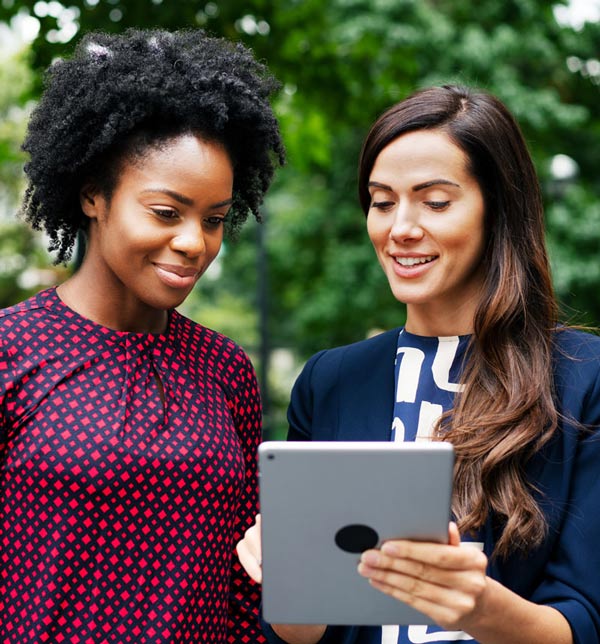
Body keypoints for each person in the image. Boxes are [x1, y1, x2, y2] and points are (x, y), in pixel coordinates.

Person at [237, 84, 600, 644]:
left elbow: (585, 619)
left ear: (497, 209)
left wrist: (476, 607)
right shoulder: (329, 381)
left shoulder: (582, 377)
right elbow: (299, 634)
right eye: (382, 202)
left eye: (435, 201)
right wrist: (288, 583)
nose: (400, 228)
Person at [0, 28, 284, 643]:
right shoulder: (10, 350)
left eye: (213, 220)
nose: (194, 243)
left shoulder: (226, 370)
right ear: (93, 195)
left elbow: (245, 590)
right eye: (166, 212)